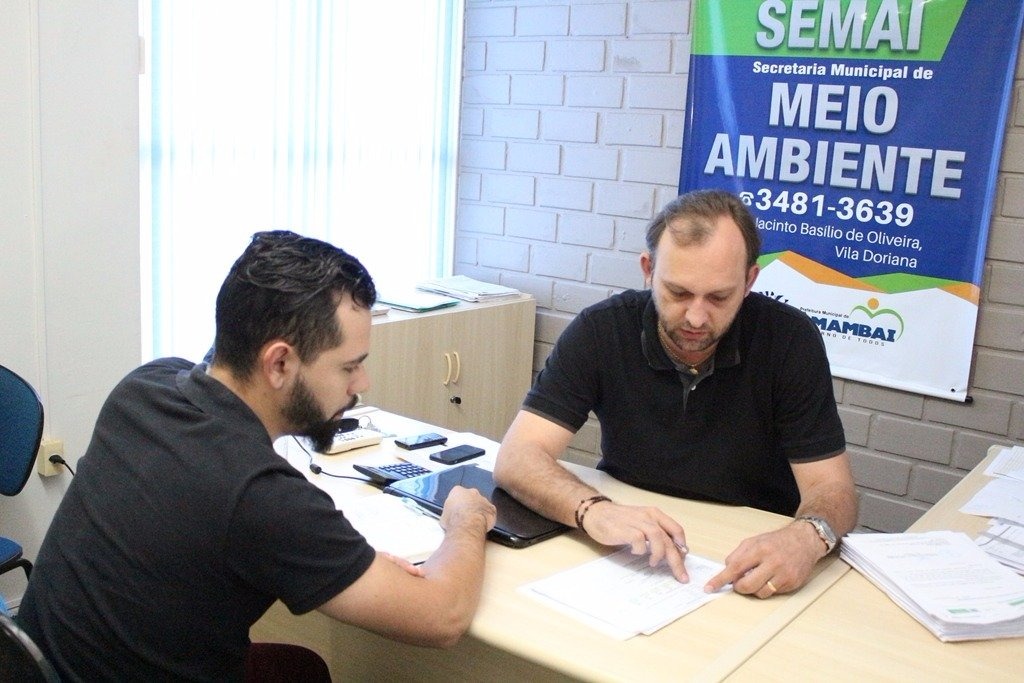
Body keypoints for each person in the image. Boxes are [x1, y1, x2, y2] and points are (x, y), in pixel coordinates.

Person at [17, 231, 497, 680]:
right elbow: (443, 617)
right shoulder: (260, 496)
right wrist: (466, 520)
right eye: (349, 367)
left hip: (45, 665)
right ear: (280, 362)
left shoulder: (143, 388)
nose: (361, 385)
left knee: (298, 670)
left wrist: (343, 558)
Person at [493, 189, 857, 599]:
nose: (697, 318)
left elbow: (835, 490)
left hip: (746, 559)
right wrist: (594, 511)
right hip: (628, 547)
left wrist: (807, 538)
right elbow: (517, 457)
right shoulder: (601, 330)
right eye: (678, 293)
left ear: (750, 280)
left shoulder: (789, 341)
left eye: (719, 297)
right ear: (648, 270)